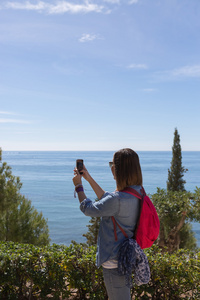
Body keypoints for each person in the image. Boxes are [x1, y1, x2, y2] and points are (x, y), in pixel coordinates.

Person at [72, 148, 143, 300]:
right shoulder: (137, 192)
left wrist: (79, 186)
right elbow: (107, 200)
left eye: (112, 164)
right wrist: (88, 178)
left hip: (113, 261)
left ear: (116, 170)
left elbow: (88, 209)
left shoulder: (117, 200)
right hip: (126, 258)